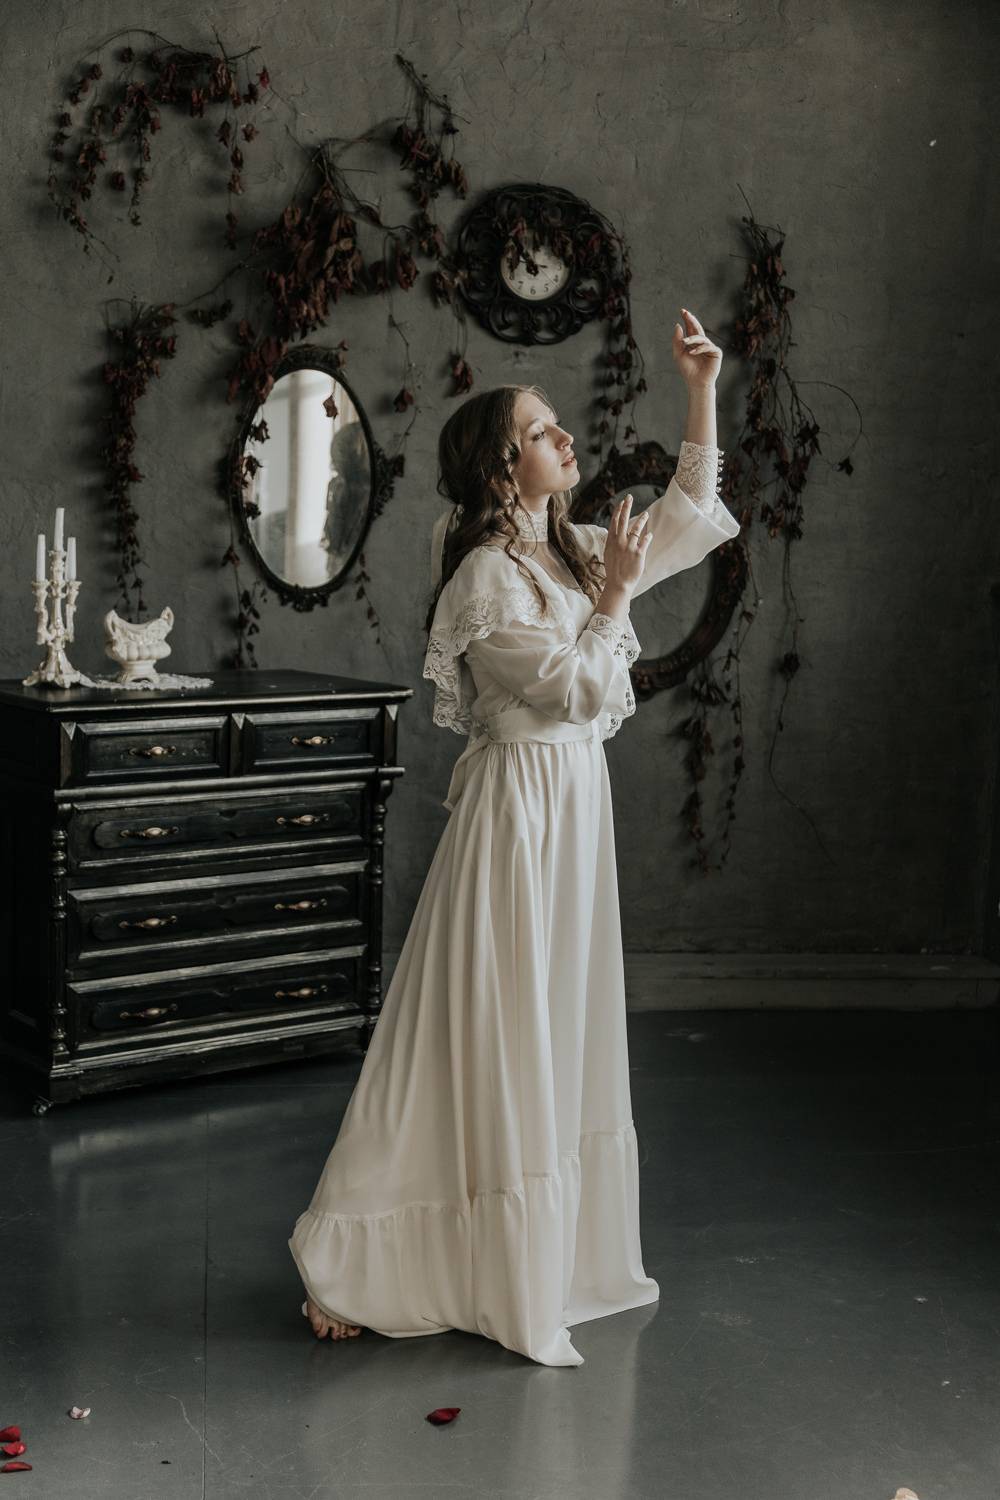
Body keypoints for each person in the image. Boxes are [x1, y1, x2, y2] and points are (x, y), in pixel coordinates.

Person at [288, 307, 740, 1366]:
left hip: (572, 806)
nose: (566, 439)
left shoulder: (569, 553)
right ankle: (359, 1254)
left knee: (553, 1024)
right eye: (541, 431)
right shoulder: (486, 576)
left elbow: (687, 513)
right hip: (518, 815)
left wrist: (700, 390)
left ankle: (536, 1257)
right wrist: (617, 593)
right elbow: (574, 688)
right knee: (475, 1032)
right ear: (501, 466)